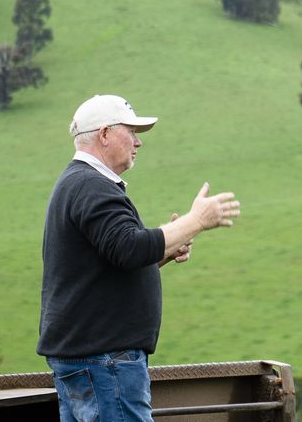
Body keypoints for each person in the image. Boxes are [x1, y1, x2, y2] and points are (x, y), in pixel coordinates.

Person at [38, 94, 241, 421]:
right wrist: (196, 221)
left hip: (88, 356)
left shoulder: (78, 183)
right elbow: (129, 248)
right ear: (104, 135)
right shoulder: (92, 186)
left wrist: (167, 247)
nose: (138, 142)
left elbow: (114, 259)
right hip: (105, 360)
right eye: (130, 132)